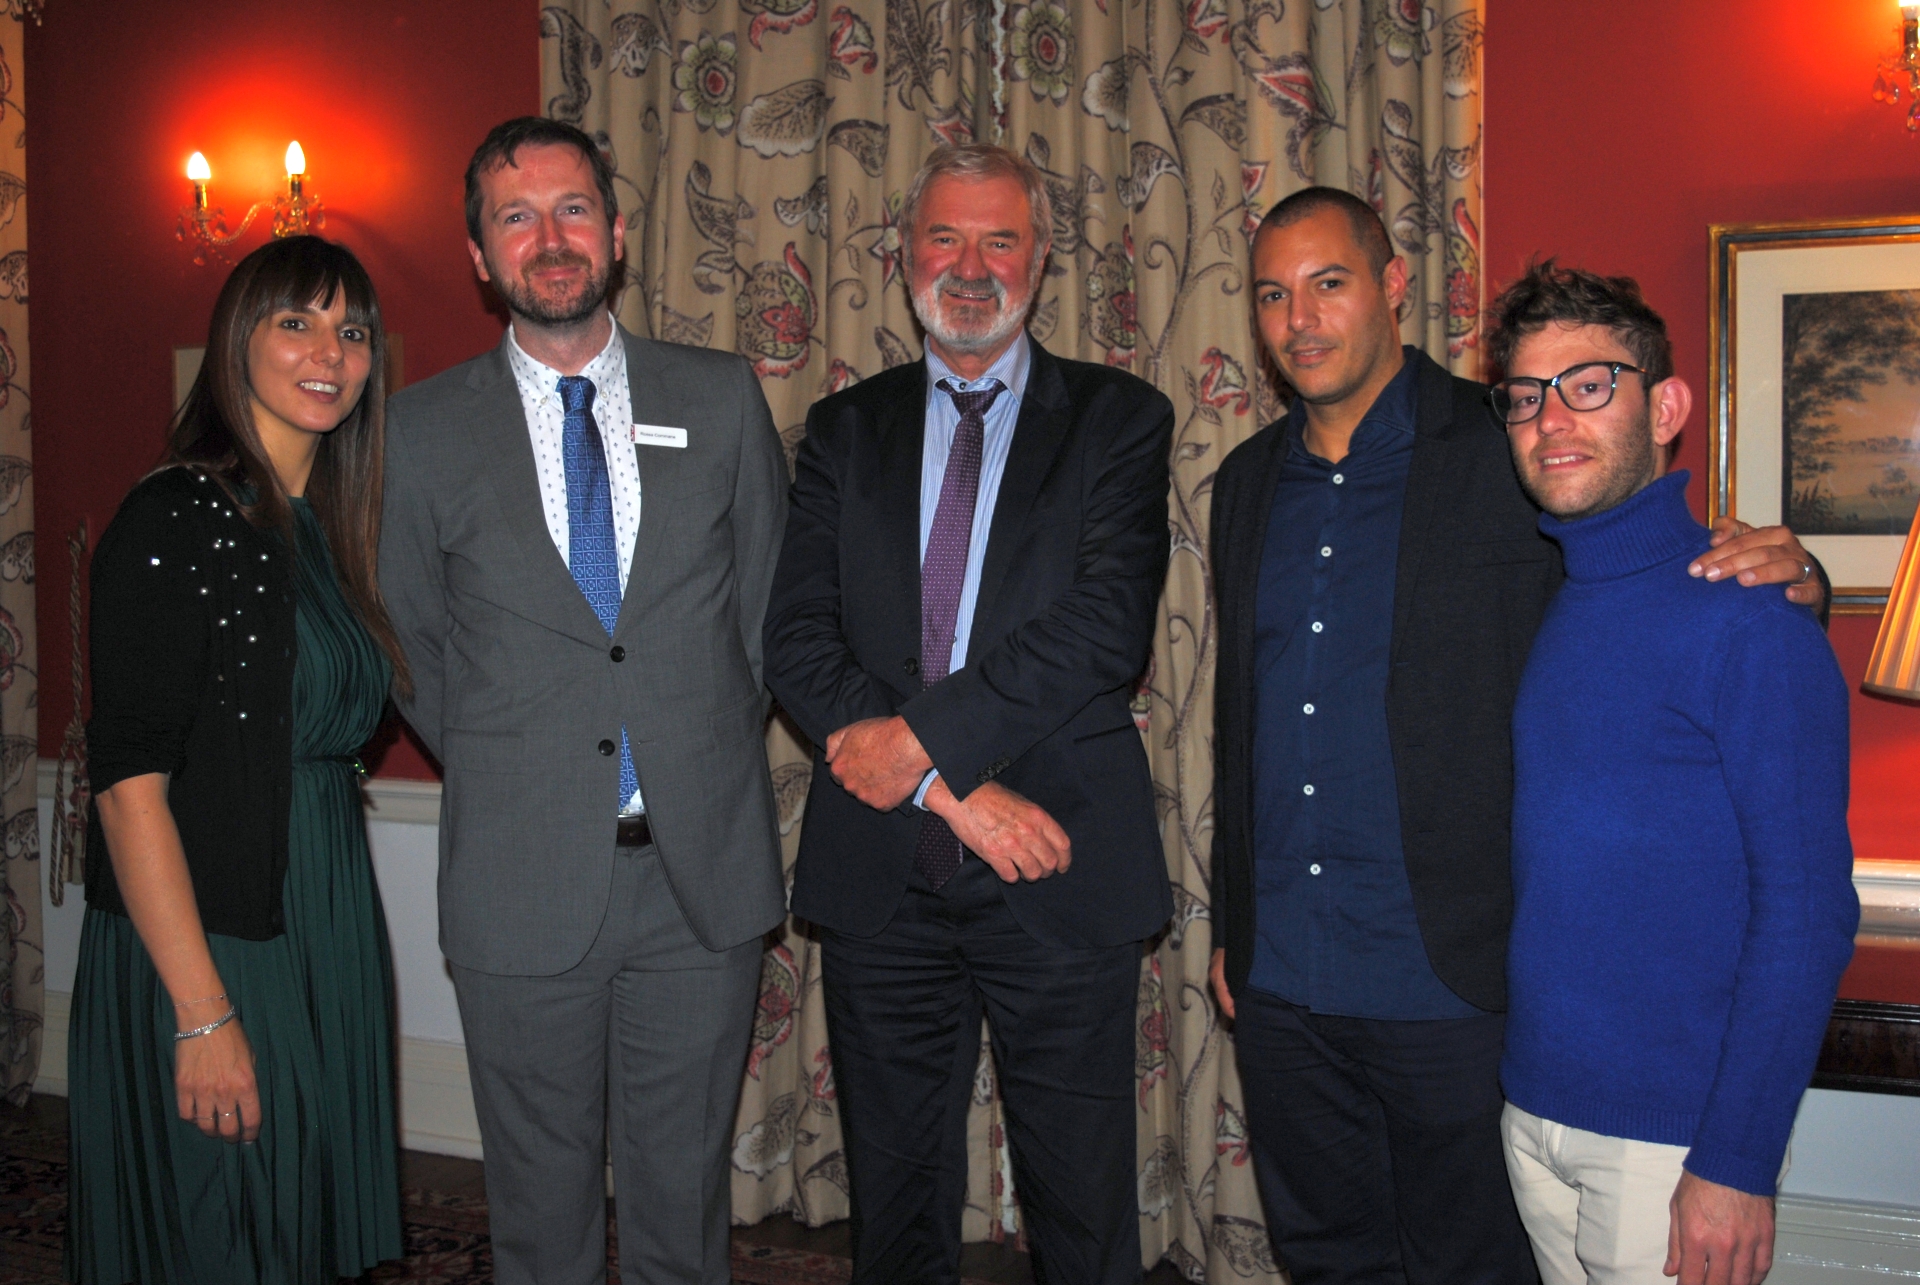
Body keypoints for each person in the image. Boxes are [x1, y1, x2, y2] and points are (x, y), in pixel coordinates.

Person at [1205, 188, 1829, 1285]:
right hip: (1285, 985)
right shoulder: (1248, 482)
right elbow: (1242, 715)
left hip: (1457, 986)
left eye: (1330, 282)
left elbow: (1644, 564)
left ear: (1395, 285)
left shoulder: (1508, 443)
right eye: (1272, 294)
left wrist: (1804, 577)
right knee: (1326, 1261)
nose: (1300, 317)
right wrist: (1235, 919)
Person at [378, 116, 788, 1285]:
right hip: (520, 878)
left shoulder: (718, 398)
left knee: (681, 1209)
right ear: (478, 255)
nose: (548, 238)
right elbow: (411, 646)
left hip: (696, 883)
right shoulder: (415, 432)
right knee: (540, 1219)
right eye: (516, 217)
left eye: (570, 210)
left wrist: (684, 742)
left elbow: (766, 619)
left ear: (616, 231)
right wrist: (532, 763)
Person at [762, 143, 1173, 1285]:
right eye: (946, 237)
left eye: (1002, 240)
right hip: (882, 873)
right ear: (905, 257)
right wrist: (953, 791)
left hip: (1060, 864)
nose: (973, 264)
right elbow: (797, 638)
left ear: (1041, 260)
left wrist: (922, 747)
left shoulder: (1120, 417)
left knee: (1081, 1211)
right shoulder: (845, 428)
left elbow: (1104, 630)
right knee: (894, 1214)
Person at [1488, 263, 1856, 1285]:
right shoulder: (1559, 600)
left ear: (1669, 406)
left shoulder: (1749, 621)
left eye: (1590, 384)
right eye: (1525, 396)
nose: (1551, 418)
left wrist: (1736, 1161)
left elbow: (1810, 909)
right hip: (1537, 1113)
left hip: (1671, 1143)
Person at [65, 234, 406, 1284]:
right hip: (214, 930)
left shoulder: (321, 530)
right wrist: (203, 1010)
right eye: (293, 321)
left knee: (300, 1217)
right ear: (234, 343)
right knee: (227, 1223)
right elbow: (128, 793)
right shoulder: (175, 518)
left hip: (321, 908)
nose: (328, 351)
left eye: (351, 330)